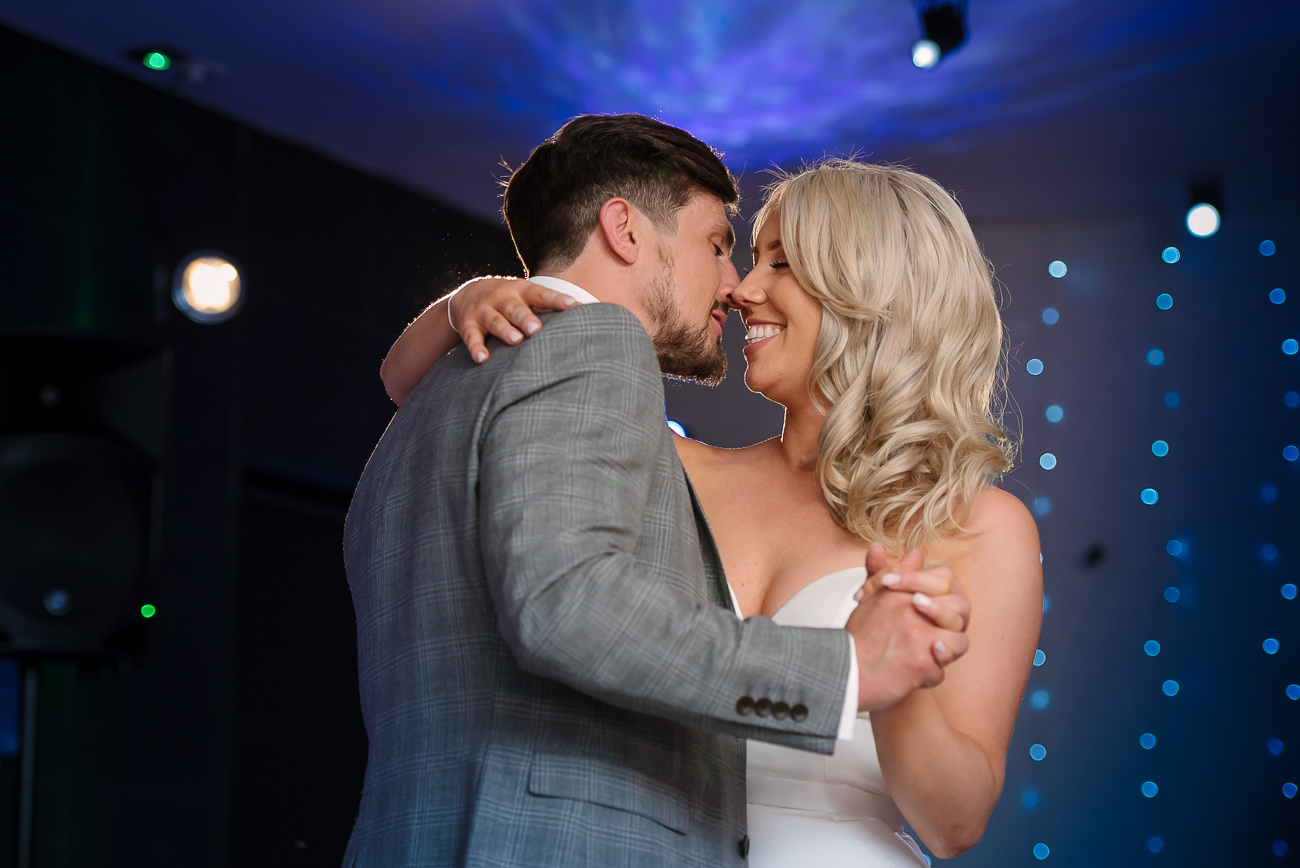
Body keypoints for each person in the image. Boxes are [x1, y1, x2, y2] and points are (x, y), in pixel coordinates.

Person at [345, 117, 973, 868]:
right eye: (717, 244)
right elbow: (565, 604)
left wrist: (455, 307)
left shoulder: (420, 417)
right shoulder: (598, 343)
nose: (735, 285)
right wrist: (845, 671)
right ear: (625, 230)